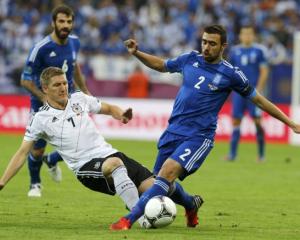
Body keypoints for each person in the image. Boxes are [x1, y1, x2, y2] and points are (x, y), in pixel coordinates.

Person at [110, 24, 300, 230]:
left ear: (223, 47)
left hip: (199, 136)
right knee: (160, 184)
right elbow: (161, 65)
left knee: (167, 173)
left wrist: (289, 123)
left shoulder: (231, 74)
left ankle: (128, 220)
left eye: (212, 44)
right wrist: (137, 53)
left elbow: (260, 101)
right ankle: (191, 204)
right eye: (204, 42)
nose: (206, 47)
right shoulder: (190, 59)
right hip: (173, 130)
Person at [0, 67, 154, 228]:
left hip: (109, 153)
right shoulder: (40, 119)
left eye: (65, 83)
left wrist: (120, 113)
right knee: (115, 164)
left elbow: (108, 108)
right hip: (85, 166)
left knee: (158, 186)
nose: (63, 88)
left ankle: (181, 205)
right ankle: (139, 218)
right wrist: (2, 182)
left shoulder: (79, 99)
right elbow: (22, 152)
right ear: (45, 89)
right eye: (57, 85)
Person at [20, 5, 90, 197]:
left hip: (68, 100)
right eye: (61, 21)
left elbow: (75, 68)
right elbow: (25, 80)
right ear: (53, 23)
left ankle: (52, 160)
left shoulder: (75, 43)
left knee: (80, 141)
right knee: (36, 150)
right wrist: (46, 99)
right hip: (42, 104)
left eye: (69, 21)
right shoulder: (40, 48)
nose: (65, 25)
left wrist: (85, 92)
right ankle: (35, 184)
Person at [226, 25, 269, 162]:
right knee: (236, 121)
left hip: (253, 93)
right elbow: (229, 71)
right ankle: (232, 155)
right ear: (240, 35)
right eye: (244, 34)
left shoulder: (259, 51)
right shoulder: (234, 51)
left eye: (249, 34)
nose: (247, 36)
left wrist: (259, 88)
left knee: (257, 121)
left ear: (253, 35)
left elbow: (264, 71)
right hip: (238, 93)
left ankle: (261, 155)